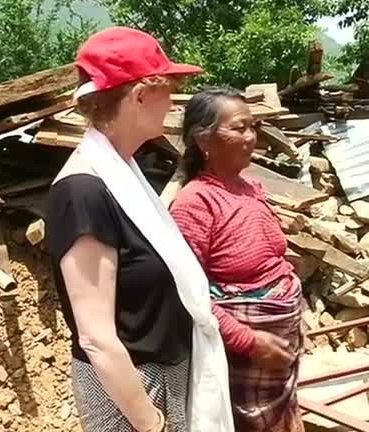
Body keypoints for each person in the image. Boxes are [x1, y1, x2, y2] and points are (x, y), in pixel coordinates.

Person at [45, 28, 234, 432]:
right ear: (141, 95)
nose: (173, 103)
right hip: (133, 394)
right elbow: (96, 336)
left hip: (163, 376)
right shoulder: (83, 192)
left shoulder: (124, 175)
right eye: (170, 90)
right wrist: (150, 422)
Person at [169, 88, 304, 432]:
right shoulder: (195, 204)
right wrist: (250, 342)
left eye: (253, 127)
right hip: (246, 357)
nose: (251, 137)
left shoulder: (250, 188)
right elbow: (188, 295)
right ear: (204, 141)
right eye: (239, 128)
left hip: (279, 345)